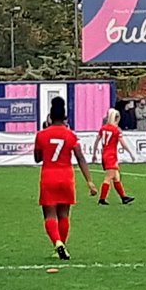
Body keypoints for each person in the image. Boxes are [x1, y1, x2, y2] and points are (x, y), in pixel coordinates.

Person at [34, 97, 97, 259]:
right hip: (66, 177)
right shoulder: (71, 135)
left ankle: (57, 243)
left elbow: (37, 158)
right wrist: (89, 181)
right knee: (64, 215)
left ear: (50, 116)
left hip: (49, 176)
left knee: (49, 215)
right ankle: (62, 246)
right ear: (65, 117)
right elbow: (80, 157)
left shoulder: (41, 135)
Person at [91, 108, 136, 206]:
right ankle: (102, 199)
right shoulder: (115, 130)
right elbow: (123, 143)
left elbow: (96, 141)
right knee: (108, 177)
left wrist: (94, 154)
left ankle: (124, 197)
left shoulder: (103, 128)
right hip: (111, 156)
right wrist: (131, 153)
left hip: (105, 154)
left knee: (116, 177)